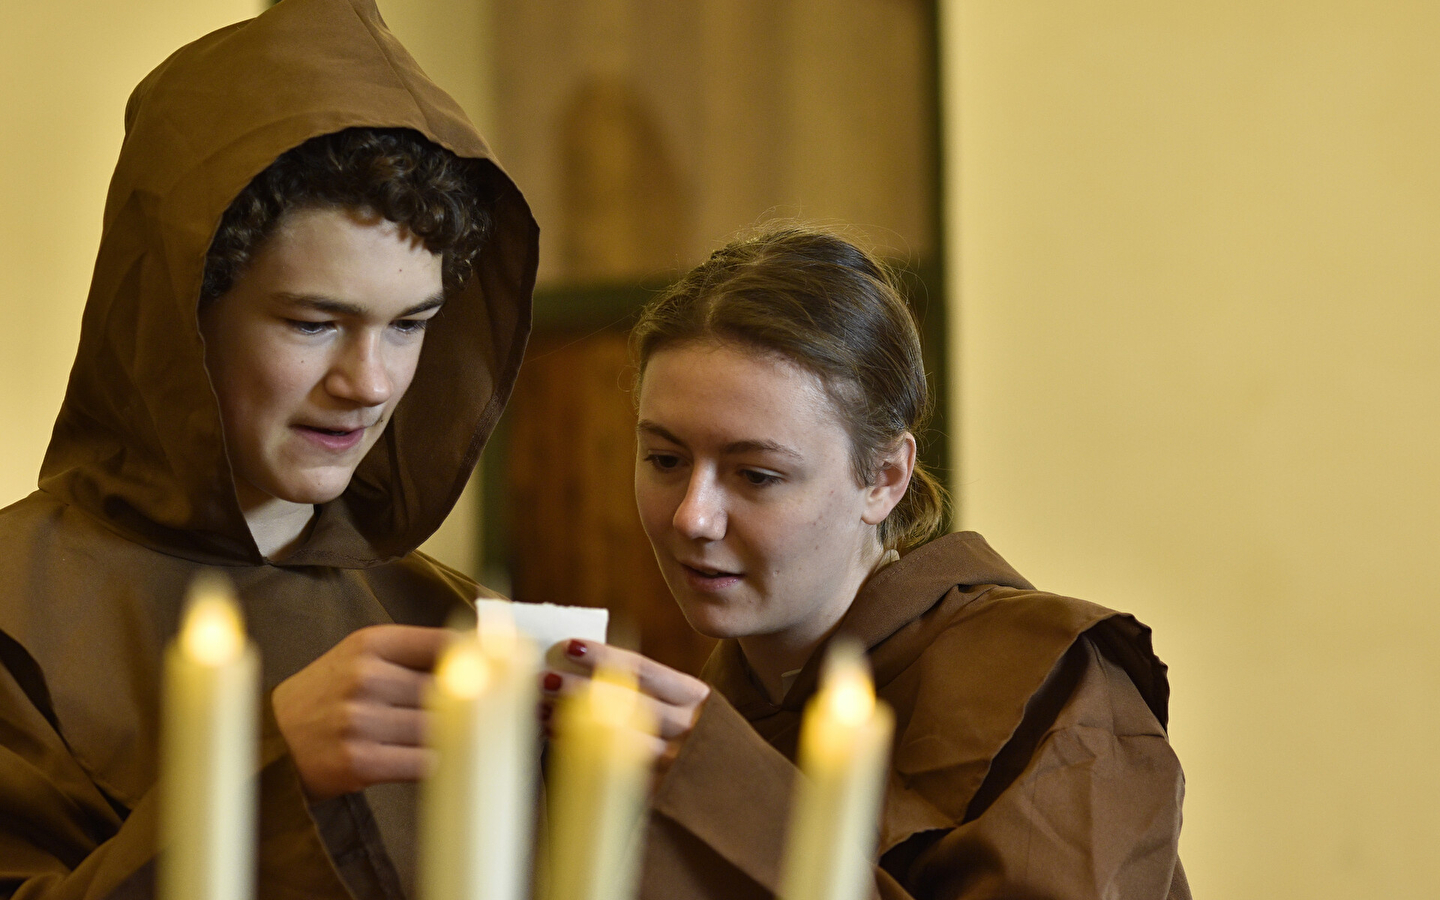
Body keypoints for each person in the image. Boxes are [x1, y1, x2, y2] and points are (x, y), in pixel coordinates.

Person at [0, 0, 537, 897]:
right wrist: (268, 779)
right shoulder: (17, 621)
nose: (368, 382)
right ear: (181, 317)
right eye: (315, 323)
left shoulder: (458, 631)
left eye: (410, 326)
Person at [543, 227, 1190, 899]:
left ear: (884, 477)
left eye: (757, 475)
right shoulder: (730, 704)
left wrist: (746, 803)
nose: (691, 517)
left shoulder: (1049, 683)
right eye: (666, 460)